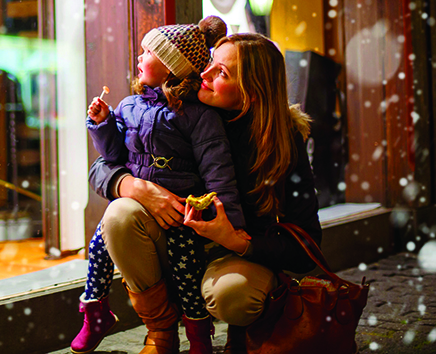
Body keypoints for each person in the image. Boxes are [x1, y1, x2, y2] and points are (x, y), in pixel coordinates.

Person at [89, 33, 321, 354]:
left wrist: (238, 240)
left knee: (233, 294)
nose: (204, 75)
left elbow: (305, 246)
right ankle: (160, 332)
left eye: (221, 73)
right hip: (175, 242)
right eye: (210, 63)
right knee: (119, 214)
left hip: (233, 255)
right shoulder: (181, 106)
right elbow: (103, 166)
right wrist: (132, 186)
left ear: (252, 93)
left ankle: (248, 327)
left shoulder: (282, 140)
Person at [72, 17, 246, 354]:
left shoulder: (197, 115)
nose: (139, 57)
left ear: (169, 67)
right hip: (138, 210)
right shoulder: (129, 105)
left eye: (148, 51)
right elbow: (112, 155)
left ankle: (198, 337)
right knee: (99, 245)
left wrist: (231, 225)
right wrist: (102, 123)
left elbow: (217, 169)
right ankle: (97, 314)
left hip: (181, 211)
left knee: (187, 271)